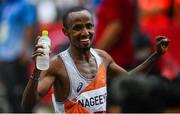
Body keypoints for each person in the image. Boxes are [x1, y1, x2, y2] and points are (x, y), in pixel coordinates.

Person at [21, 7, 170, 113]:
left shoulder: (102, 57)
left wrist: (156, 55)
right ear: (65, 32)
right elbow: (28, 105)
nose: (85, 32)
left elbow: (130, 79)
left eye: (89, 26)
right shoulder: (58, 65)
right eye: (77, 28)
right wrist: (36, 72)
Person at [0, 0, 36, 112]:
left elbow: (29, 27)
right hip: (4, 55)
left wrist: (25, 50)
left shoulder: (25, 5)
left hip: (18, 55)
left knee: (21, 91)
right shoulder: (5, 5)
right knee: (10, 91)